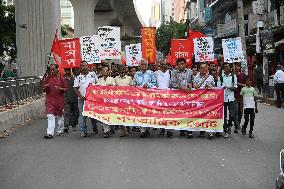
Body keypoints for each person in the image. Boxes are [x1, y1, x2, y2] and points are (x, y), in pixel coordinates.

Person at [42, 64, 68, 139]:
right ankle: (50, 133)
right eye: (51, 70)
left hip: (59, 101)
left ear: (57, 69)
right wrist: (45, 87)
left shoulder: (62, 79)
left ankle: (60, 130)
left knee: (60, 116)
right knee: (50, 116)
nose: (52, 71)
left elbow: (66, 89)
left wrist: (60, 89)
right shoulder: (47, 78)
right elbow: (43, 88)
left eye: (53, 69)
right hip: (50, 100)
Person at [73, 61, 98, 138]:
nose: (84, 67)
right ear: (80, 67)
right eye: (82, 66)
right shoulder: (78, 77)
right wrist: (80, 96)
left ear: (88, 66)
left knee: (93, 114)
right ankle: (83, 131)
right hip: (82, 99)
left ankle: (95, 127)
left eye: (85, 65)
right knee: (82, 115)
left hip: (92, 98)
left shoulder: (93, 74)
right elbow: (75, 88)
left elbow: (98, 84)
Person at [133, 60, 157, 138]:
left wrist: (148, 85)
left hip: (149, 96)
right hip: (139, 96)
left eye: (145, 64)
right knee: (140, 112)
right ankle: (142, 130)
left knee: (148, 112)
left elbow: (155, 84)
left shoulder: (151, 73)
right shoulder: (137, 74)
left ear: (147, 65)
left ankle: (148, 128)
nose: (144, 66)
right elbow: (134, 84)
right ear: (140, 66)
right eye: (142, 65)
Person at [170, 57, 193, 137]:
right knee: (180, 113)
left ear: (185, 64)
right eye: (179, 64)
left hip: (188, 95)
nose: (180, 66)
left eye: (182, 64)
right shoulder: (174, 72)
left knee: (189, 112)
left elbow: (193, 81)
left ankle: (189, 130)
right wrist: (181, 87)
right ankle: (182, 129)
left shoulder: (190, 72)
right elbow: (172, 83)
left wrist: (191, 85)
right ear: (177, 65)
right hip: (178, 96)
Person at [193, 62, 215, 139]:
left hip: (208, 99)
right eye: (202, 68)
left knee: (209, 115)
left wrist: (210, 86)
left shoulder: (211, 77)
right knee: (200, 115)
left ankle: (210, 132)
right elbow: (195, 87)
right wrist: (202, 83)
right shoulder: (196, 77)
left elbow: (214, 87)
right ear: (199, 69)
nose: (204, 69)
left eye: (205, 67)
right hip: (199, 99)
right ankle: (201, 130)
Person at [217, 63, 239, 138]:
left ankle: (230, 125)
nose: (226, 68)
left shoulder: (234, 76)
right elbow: (218, 87)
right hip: (222, 98)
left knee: (232, 115)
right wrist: (222, 88)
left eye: (227, 67)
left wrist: (228, 87)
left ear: (230, 68)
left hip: (231, 98)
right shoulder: (221, 77)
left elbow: (235, 87)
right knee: (224, 115)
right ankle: (225, 130)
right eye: (225, 67)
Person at [155, 60, 174, 137]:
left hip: (168, 96)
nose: (164, 65)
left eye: (166, 64)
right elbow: (154, 83)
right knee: (160, 113)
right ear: (160, 65)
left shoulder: (171, 73)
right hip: (158, 96)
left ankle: (169, 129)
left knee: (168, 113)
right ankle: (162, 128)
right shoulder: (156, 73)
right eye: (162, 64)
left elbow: (173, 83)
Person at [97, 65, 116, 138]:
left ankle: (111, 128)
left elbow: (114, 88)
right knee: (103, 115)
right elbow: (96, 89)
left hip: (110, 100)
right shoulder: (99, 80)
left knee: (111, 115)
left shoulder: (112, 79)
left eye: (107, 70)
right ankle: (106, 131)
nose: (105, 72)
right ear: (101, 72)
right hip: (102, 100)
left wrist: (109, 86)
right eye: (104, 70)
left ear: (109, 71)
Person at [115, 65, 133, 137]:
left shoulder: (129, 78)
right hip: (118, 100)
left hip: (128, 100)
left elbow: (133, 89)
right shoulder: (115, 79)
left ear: (126, 71)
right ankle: (123, 131)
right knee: (120, 115)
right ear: (118, 71)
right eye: (120, 69)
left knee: (127, 115)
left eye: (123, 69)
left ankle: (128, 127)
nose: (122, 71)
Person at [63, 68, 78, 133]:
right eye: (66, 70)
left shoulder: (75, 79)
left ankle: (73, 124)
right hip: (66, 98)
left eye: (69, 70)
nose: (68, 72)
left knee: (75, 113)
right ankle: (66, 126)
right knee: (67, 113)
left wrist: (74, 78)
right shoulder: (63, 79)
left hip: (75, 98)